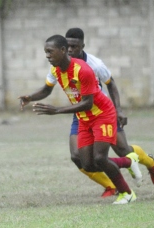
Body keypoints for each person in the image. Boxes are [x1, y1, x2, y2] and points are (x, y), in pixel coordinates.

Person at [19, 34, 140, 204]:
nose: (47, 56)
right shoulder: (55, 70)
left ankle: (127, 193)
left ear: (63, 50)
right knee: (87, 164)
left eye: (50, 52)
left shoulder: (83, 70)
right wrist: (30, 97)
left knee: (100, 158)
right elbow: (47, 89)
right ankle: (129, 161)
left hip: (102, 115)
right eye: (45, 52)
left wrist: (57, 110)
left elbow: (88, 103)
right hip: (84, 118)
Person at [63, 28, 154, 197]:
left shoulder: (95, 64)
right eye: (68, 46)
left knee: (122, 149)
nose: (70, 50)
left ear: (82, 46)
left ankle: (150, 163)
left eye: (74, 46)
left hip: (102, 111)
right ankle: (111, 186)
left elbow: (111, 84)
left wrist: (119, 110)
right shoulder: (60, 62)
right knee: (77, 156)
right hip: (81, 113)